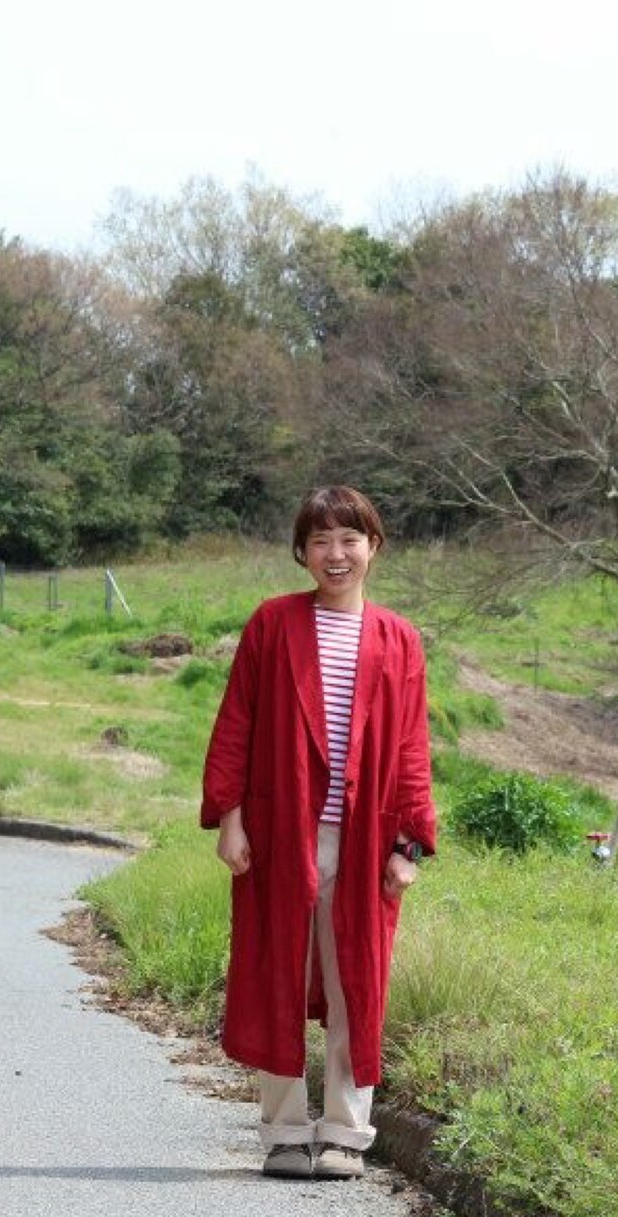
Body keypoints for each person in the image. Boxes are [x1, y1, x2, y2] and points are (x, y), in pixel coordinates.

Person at [200, 486, 436, 1180]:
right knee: (276, 974)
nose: (336, 554)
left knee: (354, 982)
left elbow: (412, 748)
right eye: (321, 541)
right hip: (279, 835)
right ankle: (283, 1133)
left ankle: (343, 1134)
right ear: (302, 552)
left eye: (349, 539)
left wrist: (409, 844)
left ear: (373, 547)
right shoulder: (273, 624)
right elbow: (237, 723)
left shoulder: (398, 639)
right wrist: (230, 818)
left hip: (364, 842)